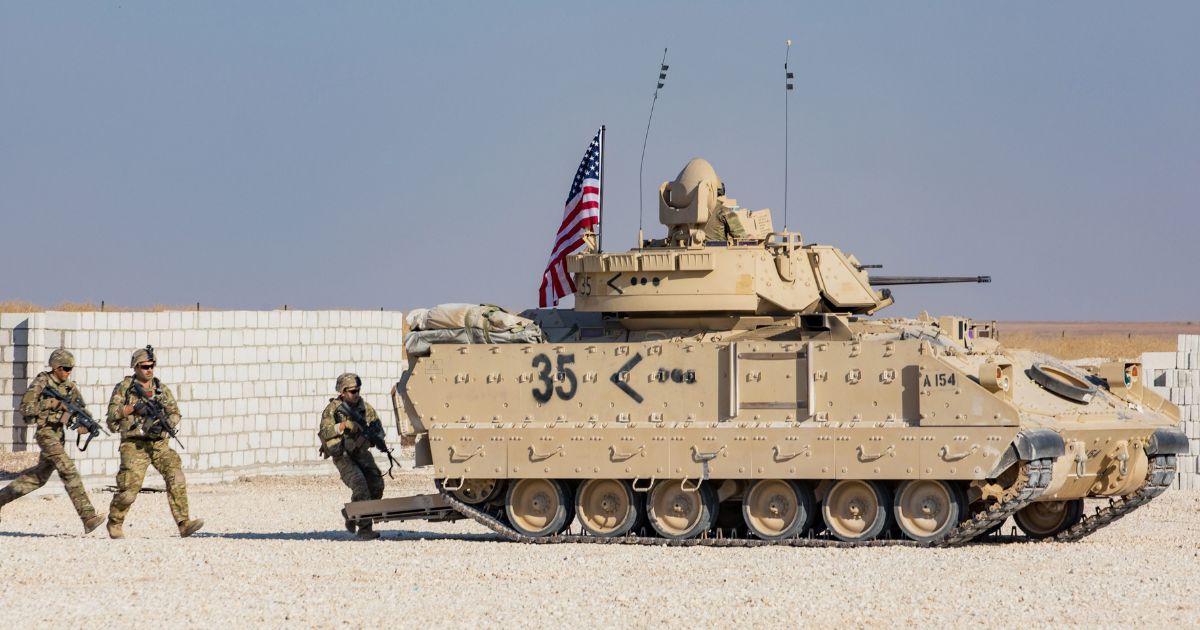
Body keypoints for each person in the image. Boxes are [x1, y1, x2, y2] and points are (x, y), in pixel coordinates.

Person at [0, 349, 105, 534]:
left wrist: (85, 425)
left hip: (59, 436)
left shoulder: (70, 387)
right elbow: (25, 408)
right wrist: (52, 404)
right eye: (65, 368)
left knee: (37, 479)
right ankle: (88, 517)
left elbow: (80, 410)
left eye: (70, 369)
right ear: (56, 368)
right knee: (68, 469)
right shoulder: (42, 382)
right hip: (46, 434)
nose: (68, 372)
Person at [104, 346, 203, 538]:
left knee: (176, 476)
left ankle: (184, 522)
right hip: (135, 445)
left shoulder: (160, 389)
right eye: (145, 367)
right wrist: (132, 408)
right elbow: (111, 417)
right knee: (129, 490)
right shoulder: (124, 388)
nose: (149, 370)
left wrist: (166, 425)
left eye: (152, 366)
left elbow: (175, 413)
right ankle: (115, 522)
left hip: (158, 444)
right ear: (135, 367)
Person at [319, 373, 385, 540]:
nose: (356, 394)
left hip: (360, 452)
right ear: (342, 392)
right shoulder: (333, 409)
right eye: (352, 391)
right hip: (343, 455)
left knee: (377, 484)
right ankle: (364, 529)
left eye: (358, 391)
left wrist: (370, 438)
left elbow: (379, 429)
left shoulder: (365, 408)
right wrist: (343, 426)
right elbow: (324, 432)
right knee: (360, 485)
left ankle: (351, 512)